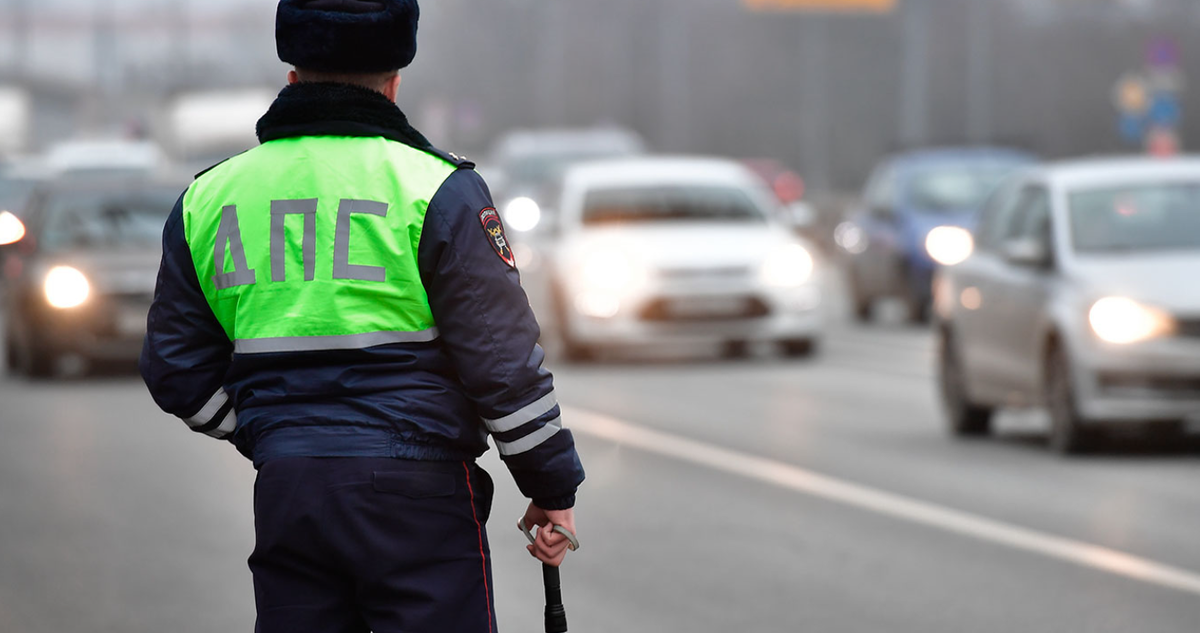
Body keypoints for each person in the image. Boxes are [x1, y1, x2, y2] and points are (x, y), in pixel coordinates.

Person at [139, 1, 585, 631]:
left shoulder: (208, 199)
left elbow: (174, 367)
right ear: (394, 84)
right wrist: (550, 487)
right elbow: (503, 364)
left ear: (292, 78)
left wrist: (272, 434)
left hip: (290, 487)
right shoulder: (438, 189)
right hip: (421, 491)